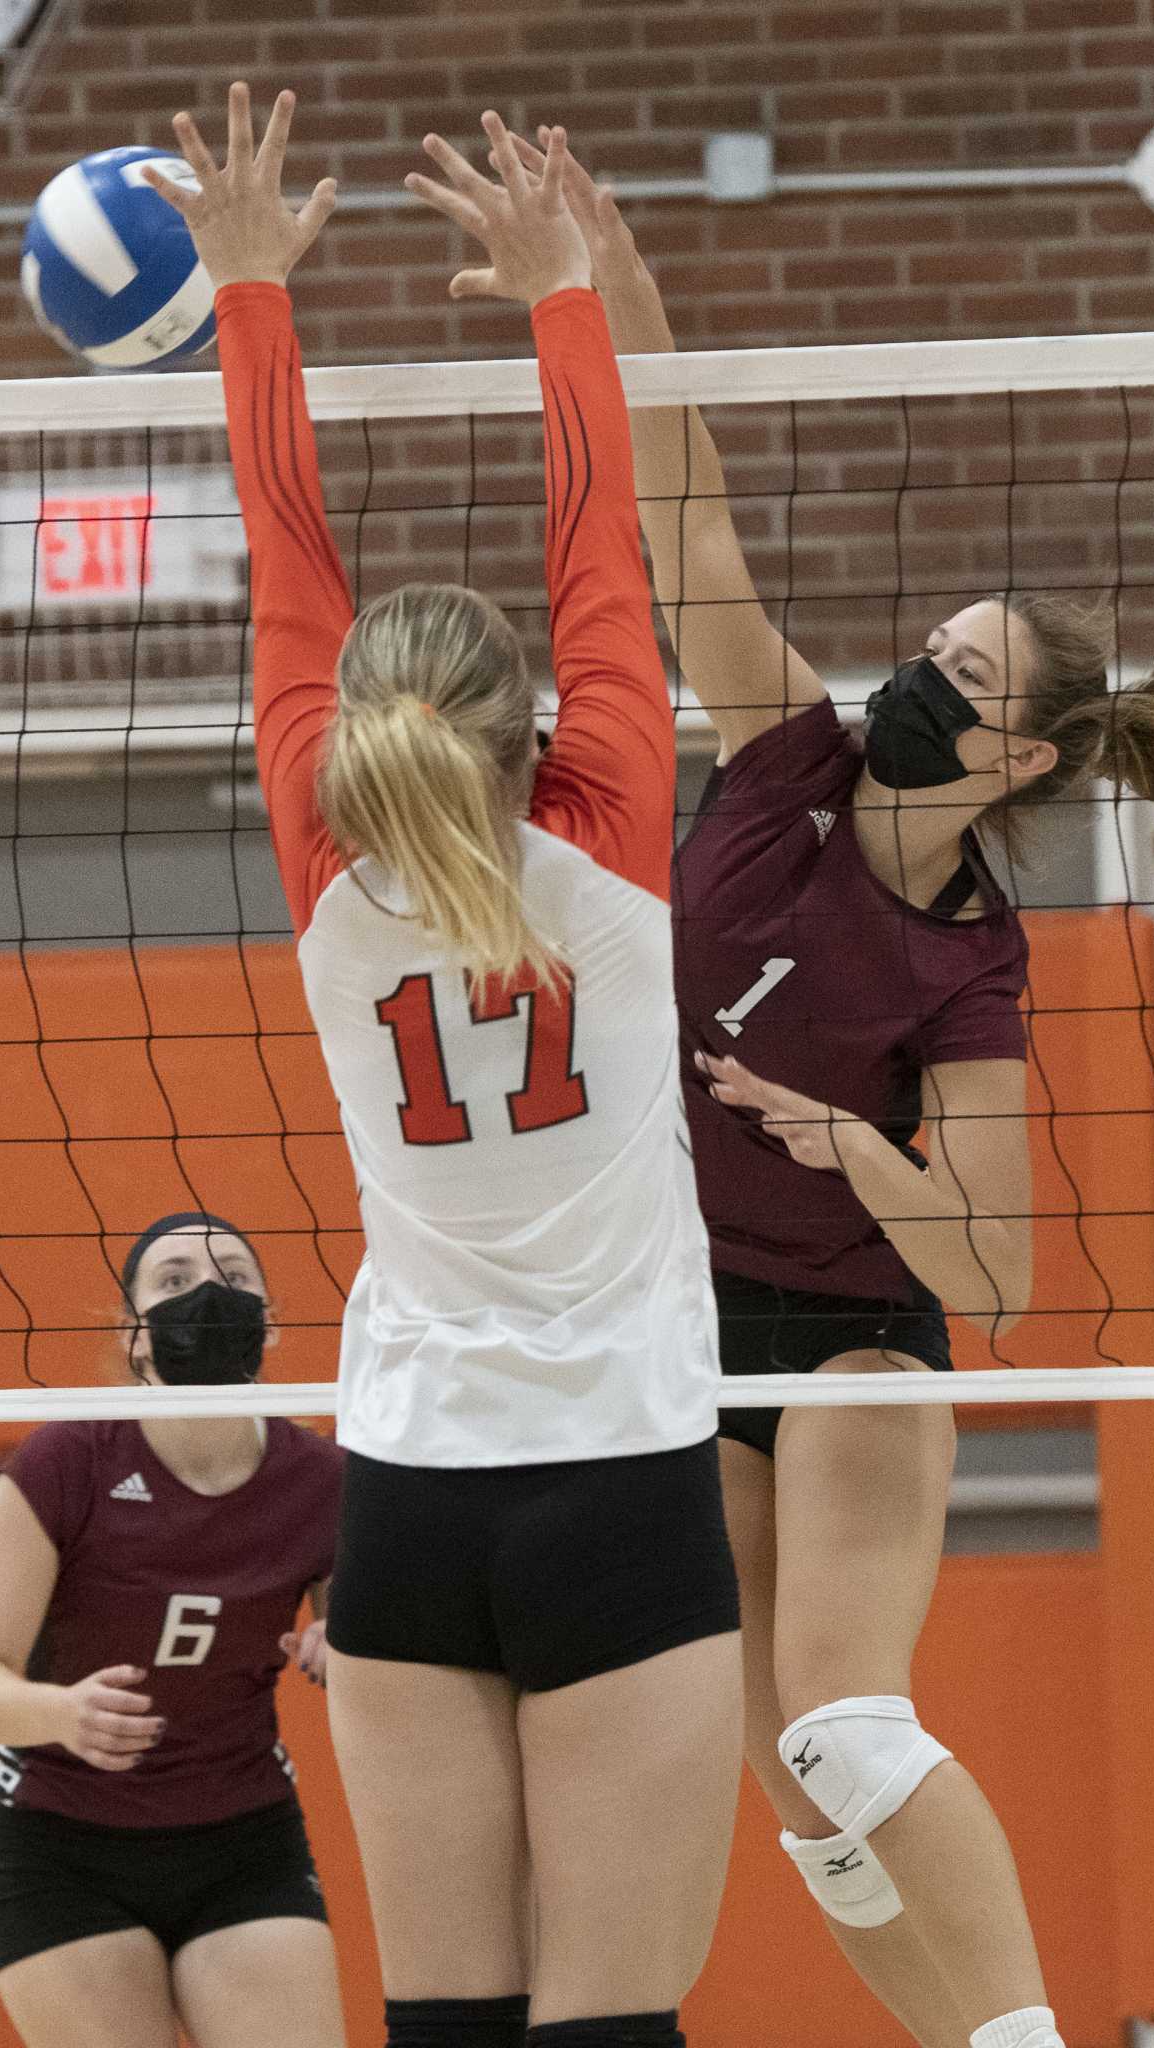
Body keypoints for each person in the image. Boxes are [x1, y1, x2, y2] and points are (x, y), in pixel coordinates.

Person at [510, 132, 1154, 2048]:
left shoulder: (968, 966)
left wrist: (852, 1137)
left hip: (851, 1329)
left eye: (957, 674)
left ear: (1012, 755)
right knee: (780, 1770)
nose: (912, 679)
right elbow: (683, 514)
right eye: (927, 646)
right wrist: (602, 288)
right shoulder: (782, 761)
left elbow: (1001, 1274)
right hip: (683, 1323)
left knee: (841, 1719)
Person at [142, 87, 742, 2048]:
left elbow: (280, 550)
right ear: (533, 726)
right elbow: (602, 551)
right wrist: (565, 294)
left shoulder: (327, 866)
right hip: (620, 1480)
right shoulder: (613, 831)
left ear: (352, 743)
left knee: (449, 2035)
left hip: (406, 1490)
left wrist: (246, 291)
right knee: (608, 2033)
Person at [0, 1211, 347, 2048]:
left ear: (270, 1323)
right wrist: (61, 1715)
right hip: (61, 1846)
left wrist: (344, 1650)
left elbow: (360, 1640)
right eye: (173, 1281)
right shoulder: (64, 1461)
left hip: (242, 1838)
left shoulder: (322, 1479)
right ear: (134, 1337)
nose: (207, 1294)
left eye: (234, 1277)